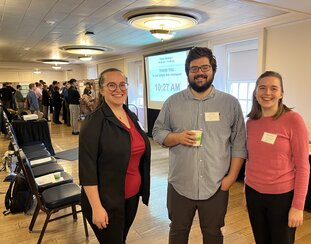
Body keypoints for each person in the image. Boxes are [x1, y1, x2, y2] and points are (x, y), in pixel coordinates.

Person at [152, 47, 247, 244]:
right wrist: (177, 137)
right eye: (194, 68)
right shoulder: (172, 102)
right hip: (180, 184)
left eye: (205, 67)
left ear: (213, 69)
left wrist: (231, 178)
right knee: (177, 231)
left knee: (213, 234)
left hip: (216, 185)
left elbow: (239, 144)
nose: (199, 72)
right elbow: (157, 132)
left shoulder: (230, 104)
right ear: (187, 72)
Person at [79, 68, 151, 243]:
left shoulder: (130, 115)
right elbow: (87, 168)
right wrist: (97, 207)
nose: (118, 89)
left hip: (131, 196)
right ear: (101, 90)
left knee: (121, 239)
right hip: (106, 201)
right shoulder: (94, 122)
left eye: (122, 85)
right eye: (111, 85)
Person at [244, 71, 310, 244]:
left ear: (281, 94)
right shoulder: (251, 122)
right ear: (256, 92)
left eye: (274, 88)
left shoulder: (293, 120)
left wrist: (298, 206)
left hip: (281, 198)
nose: (267, 93)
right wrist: (246, 192)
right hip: (253, 194)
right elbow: (251, 160)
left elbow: (303, 167)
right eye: (262, 88)